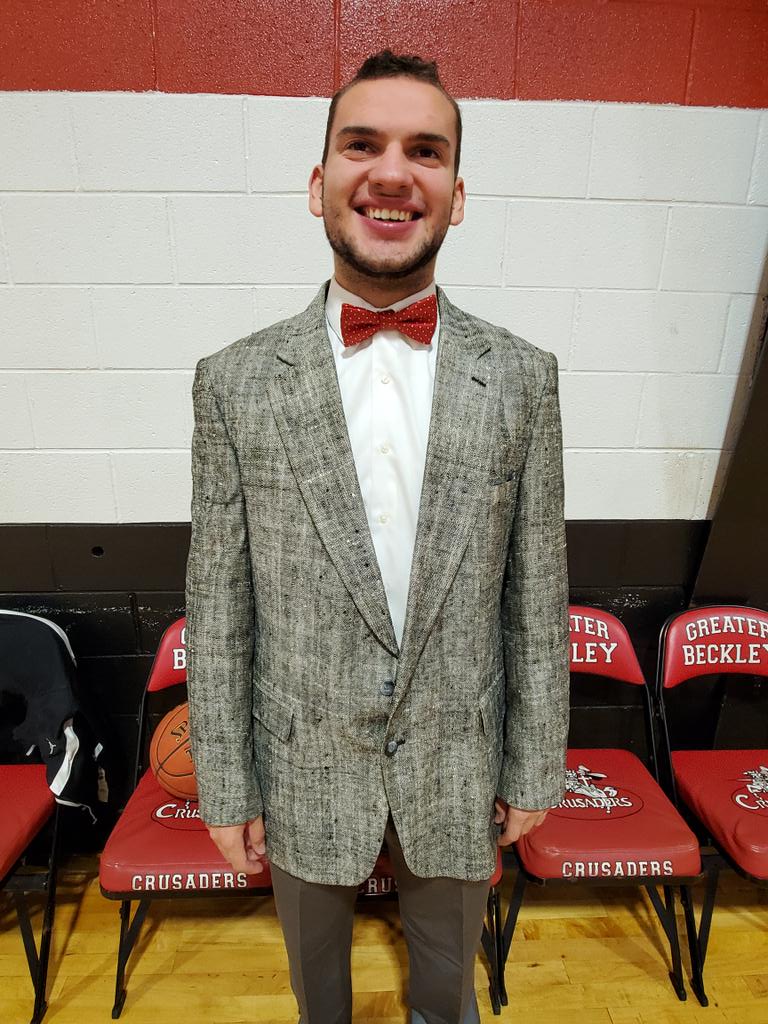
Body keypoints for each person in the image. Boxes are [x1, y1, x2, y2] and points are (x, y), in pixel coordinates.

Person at [185, 49, 570, 1024]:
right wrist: (225, 783)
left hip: (458, 764)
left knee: (447, 992)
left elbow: (536, 592)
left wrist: (534, 763)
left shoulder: (524, 378)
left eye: (425, 151)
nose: (394, 172)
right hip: (302, 764)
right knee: (321, 1001)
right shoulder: (235, 381)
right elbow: (220, 607)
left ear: (456, 193)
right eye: (363, 144)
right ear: (319, 185)